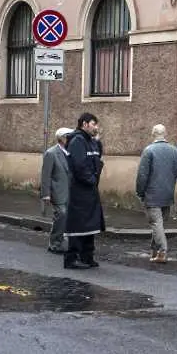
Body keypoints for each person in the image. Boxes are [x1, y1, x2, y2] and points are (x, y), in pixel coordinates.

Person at [135, 124, 177, 264]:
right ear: (165, 134)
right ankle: (155, 251)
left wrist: (140, 192)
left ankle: (162, 252)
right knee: (159, 224)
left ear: (152, 134)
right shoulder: (174, 150)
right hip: (167, 193)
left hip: (152, 194)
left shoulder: (149, 151)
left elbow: (142, 175)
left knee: (156, 223)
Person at [64, 113, 105, 270]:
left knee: (91, 225)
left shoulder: (92, 142)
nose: (96, 127)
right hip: (80, 190)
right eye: (94, 124)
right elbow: (79, 166)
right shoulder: (77, 141)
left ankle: (87, 256)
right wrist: (92, 180)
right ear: (85, 124)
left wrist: (98, 142)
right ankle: (72, 258)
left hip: (91, 191)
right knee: (78, 224)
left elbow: (97, 160)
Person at [40, 127, 73, 254]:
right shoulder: (51, 153)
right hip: (57, 192)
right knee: (61, 215)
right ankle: (54, 244)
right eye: (69, 137)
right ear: (62, 138)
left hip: (70, 192)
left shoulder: (70, 152)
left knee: (66, 217)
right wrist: (46, 194)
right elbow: (46, 175)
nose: (71, 140)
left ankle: (62, 241)